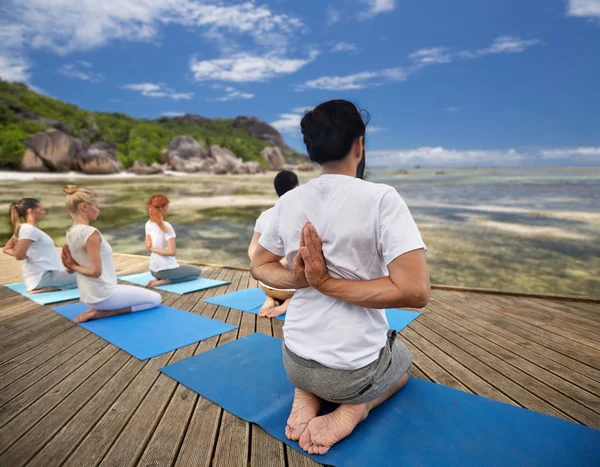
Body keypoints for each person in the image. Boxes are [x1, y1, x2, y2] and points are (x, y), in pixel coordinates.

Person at [250, 100, 430, 455]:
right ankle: (355, 409)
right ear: (359, 145)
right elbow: (416, 292)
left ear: (312, 150)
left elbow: (259, 265)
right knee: (404, 364)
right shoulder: (381, 198)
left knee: (317, 370)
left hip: (294, 360)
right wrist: (321, 282)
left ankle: (308, 392)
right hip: (352, 374)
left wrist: (299, 279)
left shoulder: (289, 202)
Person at [61, 185, 161, 323]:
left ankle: (99, 309)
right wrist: (72, 265)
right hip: (104, 296)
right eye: (95, 206)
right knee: (156, 299)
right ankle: (104, 313)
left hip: (88, 296)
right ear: (84, 206)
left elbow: (71, 267)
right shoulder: (90, 233)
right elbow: (96, 272)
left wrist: (71, 266)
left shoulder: (70, 232)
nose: (98, 210)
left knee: (130, 290)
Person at [248, 170, 299, 317]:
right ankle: (289, 303)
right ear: (297, 188)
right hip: (290, 286)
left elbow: (252, 250)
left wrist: (266, 264)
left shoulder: (265, 215)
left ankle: (270, 298)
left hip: (266, 283)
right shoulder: (299, 215)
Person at [2, 198, 76, 293]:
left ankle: (54, 287)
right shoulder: (28, 230)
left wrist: (26, 255)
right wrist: (23, 255)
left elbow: (7, 248)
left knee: (87, 275)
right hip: (43, 277)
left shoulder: (25, 229)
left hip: (45, 276)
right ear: (31, 211)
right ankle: (49, 287)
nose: (44, 212)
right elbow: (18, 255)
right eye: (41, 209)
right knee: (90, 277)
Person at [144, 195, 201, 288]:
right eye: (166, 207)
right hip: (165, 270)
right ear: (162, 209)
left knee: (181, 266)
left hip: (153, 270)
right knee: (196, 272)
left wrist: (151, 249)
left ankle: (157, 279)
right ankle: (164, 282)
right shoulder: (167, 227)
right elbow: (172, 252)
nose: (167, 209)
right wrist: (153, 249)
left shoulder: (148, 224)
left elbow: (148, 247)